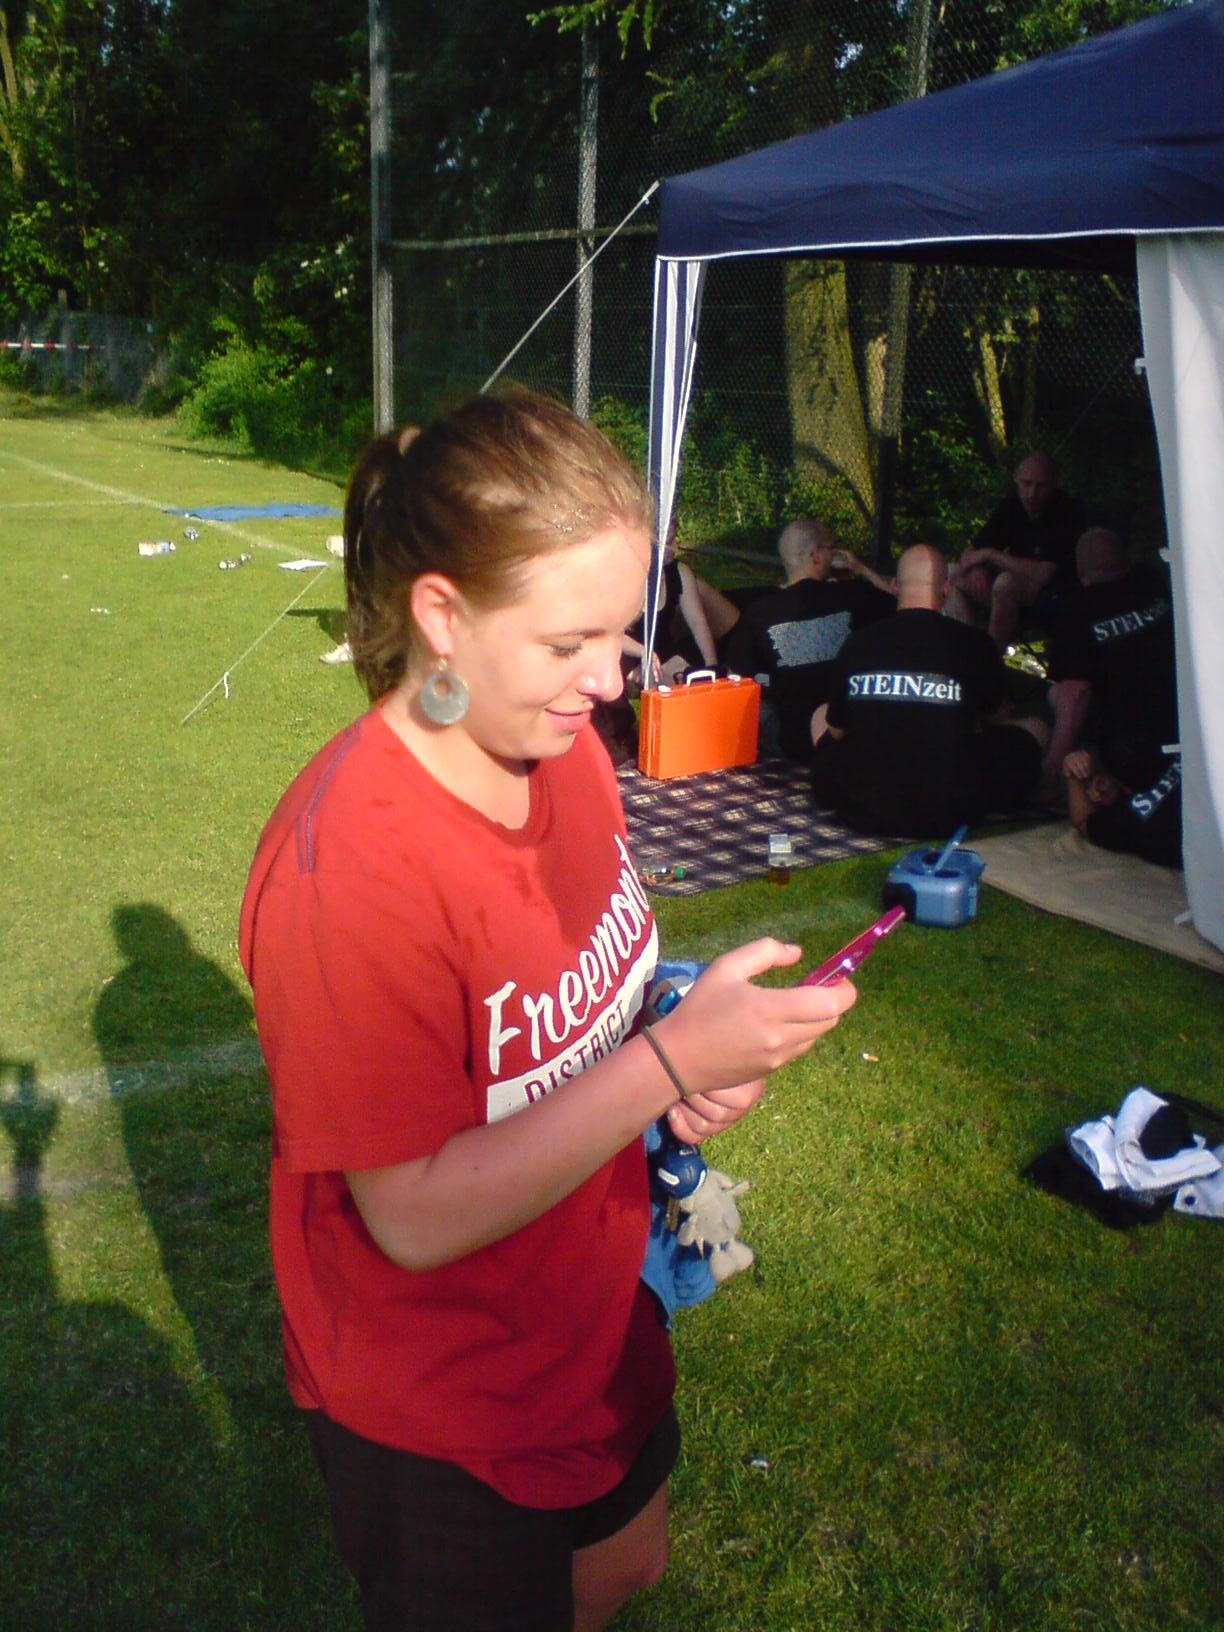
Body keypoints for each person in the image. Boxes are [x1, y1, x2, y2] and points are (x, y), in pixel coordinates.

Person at [238, 390, 855, 1632]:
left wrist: (681, 1053)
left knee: (624, 1569)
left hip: (590, 1310)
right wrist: (667, 1065)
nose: (611, 679)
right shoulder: (349, 869)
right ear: (442, 618)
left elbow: (589, 1004)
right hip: (441, 1401)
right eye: (571, 641)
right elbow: (411, 1217)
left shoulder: (567, 755)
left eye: (622, 634)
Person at [810, 544, 1048, 837]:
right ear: (946, 588)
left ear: (895, 586)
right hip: (950, 811)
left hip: (864, 807)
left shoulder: (858, 642)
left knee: (820, 715)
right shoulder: (975, 644)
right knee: (1036, 729)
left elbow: (836, 731)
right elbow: (994, 718)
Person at [722, 518, 894, 761]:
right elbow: (901, 608)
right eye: (831, 548)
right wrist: (861, 569)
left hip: (791, 741)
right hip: (844, 734)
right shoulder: (852, 595)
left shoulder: (759, 611)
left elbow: (736, 676)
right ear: (816, 555)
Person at [1044, 527, 1179, 789]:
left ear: (1080, 570)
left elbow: (1076, 693)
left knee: (1056, 694)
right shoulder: (1152, 581)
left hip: (1131, 744)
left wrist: (1053, 762)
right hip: (1183, 714)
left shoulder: (1078, 611)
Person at [946, 450, 1086, 648]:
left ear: (1054, 484)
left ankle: (990, 656)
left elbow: (1043, 574)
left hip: (1055, 596)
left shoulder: (1066, 512)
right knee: (952, 572)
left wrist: (989, 555)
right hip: (1008, 591)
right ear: (1017, 480)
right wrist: (976, 568)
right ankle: (965, 649)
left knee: (1006, 583)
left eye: (1041, 486)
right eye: (1027, 484)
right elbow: (971, 553)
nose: (1032, 493)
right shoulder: (1010, 507)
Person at [622, 517, 718, 685]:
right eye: (668, 542)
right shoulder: (622, 578)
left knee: (688, 668)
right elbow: (608, 636)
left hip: (664, 656)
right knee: (660, 679)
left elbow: (698, 623)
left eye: (674, 539)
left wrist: (712, 666)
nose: (675, 547)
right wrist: (643, 653)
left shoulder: (679, 573)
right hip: (628, 656)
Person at [1062, 747, 1183, 869]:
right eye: (1087, 786)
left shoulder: (1153, 761)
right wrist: (1073, 773)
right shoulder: (1122, 820)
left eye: (1095, 778)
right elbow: (1081, 820)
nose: (1099, 786)